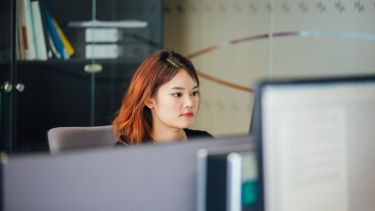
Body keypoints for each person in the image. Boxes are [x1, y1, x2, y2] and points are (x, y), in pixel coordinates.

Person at [113, 49, 213, 146]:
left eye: (194, 93)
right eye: (177, 94)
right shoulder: (127, 150)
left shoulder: (206, 142)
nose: (190, 103)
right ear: (149, 100)